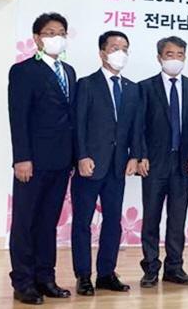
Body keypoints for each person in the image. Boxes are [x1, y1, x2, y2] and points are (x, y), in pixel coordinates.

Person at [8, 12, 76, 305]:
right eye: (49, 33)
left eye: (61, 32)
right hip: (32, 163)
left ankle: (45, 278)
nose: (56, 37)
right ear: (37, 38)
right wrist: (22, 158)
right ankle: (23, 282)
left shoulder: (69, 71)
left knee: (48, 222)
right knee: (25, 222)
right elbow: (18, 117)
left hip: (61, 162)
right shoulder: (23, 71)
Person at [71, 31, 143, 296]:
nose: (120, 53)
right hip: (90, 164)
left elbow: (136, 127)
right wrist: (82, 156)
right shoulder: (86, 84)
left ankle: (106, 273)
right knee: (83, 221)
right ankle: (83, 275)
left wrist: (134, 156)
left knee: (113, 221)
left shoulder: (132, 88)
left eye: (124, 48)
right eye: (114, 48)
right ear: (102, 52)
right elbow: (78, 124)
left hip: (117, 166)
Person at [138, 36, 188, 287]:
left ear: (185, 57)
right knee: (151, 218)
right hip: (154, 164)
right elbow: (139, 126)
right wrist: (141, 155)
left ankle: (174, 267)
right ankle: (150, 268)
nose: (175, 59)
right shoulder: (145, 87)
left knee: (177, 219)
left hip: (184, 164)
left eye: (180, 54)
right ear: (159, 58)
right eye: (170, 54)